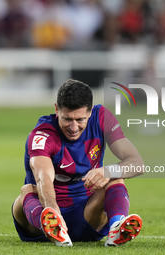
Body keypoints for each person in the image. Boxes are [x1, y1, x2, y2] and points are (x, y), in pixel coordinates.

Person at [11, 79, 144, 247]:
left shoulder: (101, 118)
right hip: (39, 220)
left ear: (90, 112)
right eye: (67, 119)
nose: (73, 127)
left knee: (115, 177)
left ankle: (117, 228)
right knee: (28, 190)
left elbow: (137, 163)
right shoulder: (43, 135)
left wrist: (108, 171)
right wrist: (53, 213)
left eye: (80, 119)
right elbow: (43, 178)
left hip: (87, 216)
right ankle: (54, 228)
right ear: (56, 109)